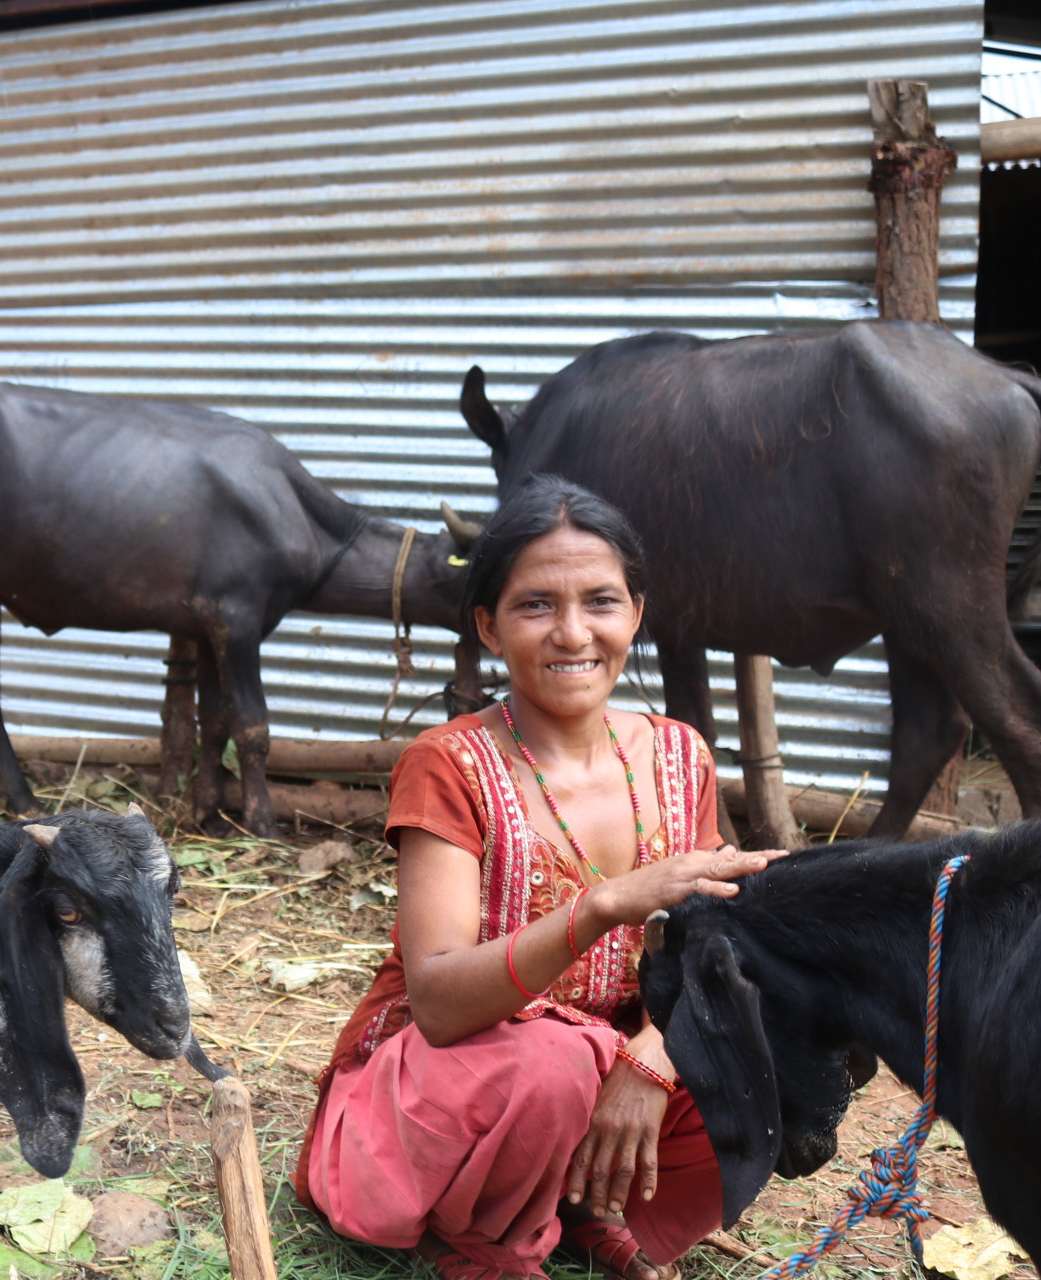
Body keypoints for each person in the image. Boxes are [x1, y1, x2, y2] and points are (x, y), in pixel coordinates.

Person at [293, 476, 783, 1280]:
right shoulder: (448, 765)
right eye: (534, 606)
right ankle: (482, 1239)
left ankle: (591, 1210)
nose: (571, 633)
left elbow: (715, 948)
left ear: (636, 613)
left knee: (765, 1047)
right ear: (488, 626)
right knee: (553, 1062)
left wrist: (653, 1061)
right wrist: (599, 909)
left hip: (597, 1083)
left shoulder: (679, 756)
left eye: (600, 601)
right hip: (452, 1092)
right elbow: (442, 1004)